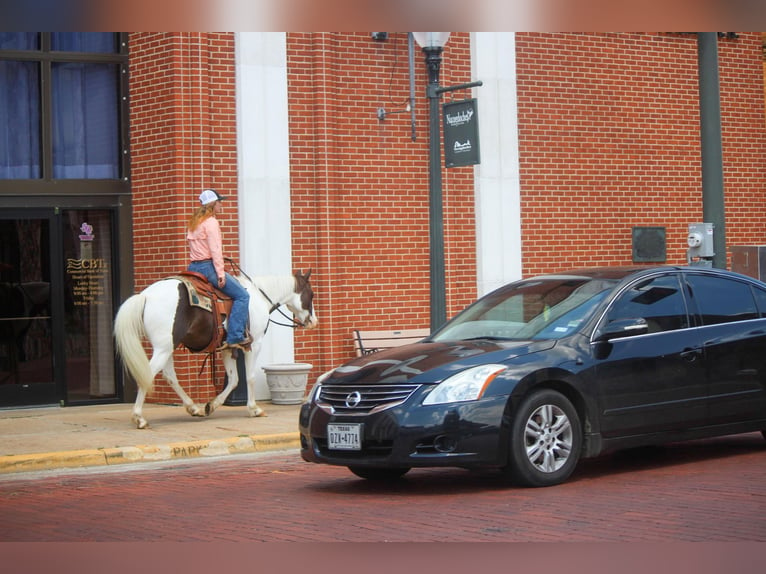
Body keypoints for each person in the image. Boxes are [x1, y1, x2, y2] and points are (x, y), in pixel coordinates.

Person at [187, 188, 251, 350]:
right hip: (208, 268)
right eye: (219, 201)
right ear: (213, 204)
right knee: (242, 296)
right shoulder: (211, 222)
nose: (221, 205)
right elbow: (215, 250)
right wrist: (220, 274)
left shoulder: (194, 222)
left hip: (193, 267)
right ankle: (235, 336)